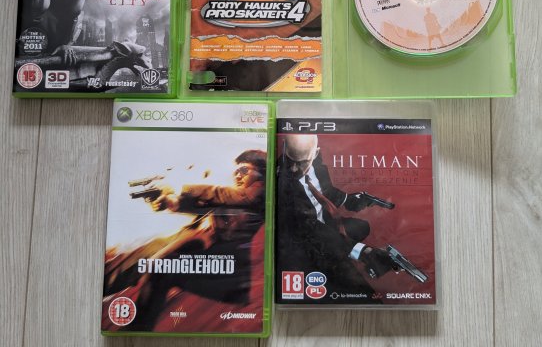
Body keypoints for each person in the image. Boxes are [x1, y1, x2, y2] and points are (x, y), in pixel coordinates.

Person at [103, 150, 267, 331]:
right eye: (236, 171)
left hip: (221, 267)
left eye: (244, 170)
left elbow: (221, 195)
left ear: (261, 174)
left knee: (160, 269)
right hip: (195, 244)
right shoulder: (234, 197)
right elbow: (203, 205)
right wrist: (169, 202)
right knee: (134, 258)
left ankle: (137, 329)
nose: (238, 175)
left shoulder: (258, 194)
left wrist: (180, 187)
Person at [277, 134, 398, 288]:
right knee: (350, 280)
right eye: (290, 160)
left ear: (315, 153)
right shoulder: (282, 183)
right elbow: (310, 227)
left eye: (302, 162)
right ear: (284, 148)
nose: (294, 168)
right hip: (304, 238)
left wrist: (350, 199)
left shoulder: (317, 164)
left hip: (326, 222)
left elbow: (326, 191)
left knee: (362, 227)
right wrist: (362, 251)